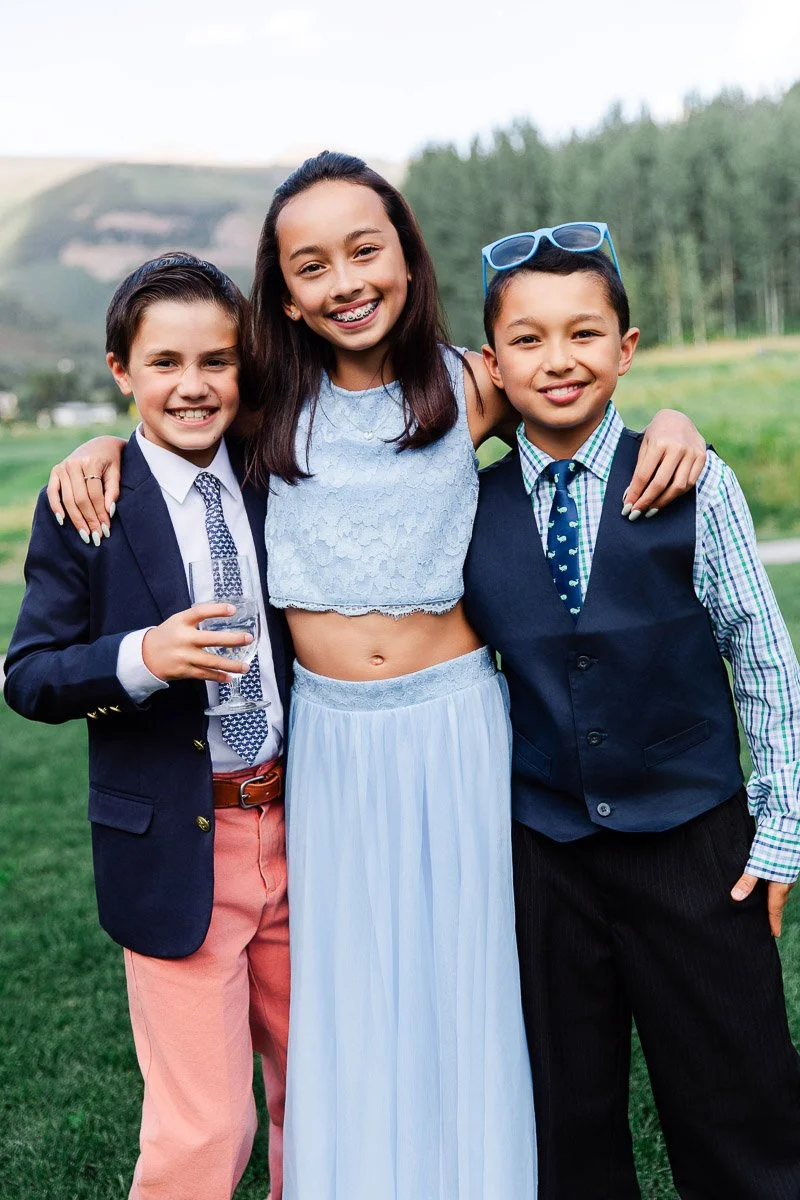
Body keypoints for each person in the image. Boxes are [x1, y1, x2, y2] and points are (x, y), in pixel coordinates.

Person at [43, 155, 707, 1200]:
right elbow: (174, 415)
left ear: (406, 255)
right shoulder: (265, 406)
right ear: (284, 294)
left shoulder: (470, 383)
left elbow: (579, 400)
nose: (345, 281)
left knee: (467, 985)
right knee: (350, 997)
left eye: (365, 250)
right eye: (311, 265)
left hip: (457, 725)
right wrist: (97, 446)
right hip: (333, 743)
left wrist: (674, 425)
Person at [463, 228, 800, 1200]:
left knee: (741, 1107)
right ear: (492, 364)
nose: (558, 359)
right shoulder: (468, 503)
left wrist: (779, 829)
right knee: (564, 1123)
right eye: (527, 339)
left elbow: (761, 656)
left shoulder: (695, 478)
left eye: (583, 333)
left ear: (626, 348)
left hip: (695, 845)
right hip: (543, 858)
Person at [4, 254, 293, 1200]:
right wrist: (142, 657)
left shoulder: (276, 467)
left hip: (307, 829)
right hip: (178, 840)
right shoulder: (88, 501)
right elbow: (29, 676)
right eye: (165, 362)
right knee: (206, 1127)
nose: (193, 384)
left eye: (217, 360)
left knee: (322, 1094)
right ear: (121, 370)